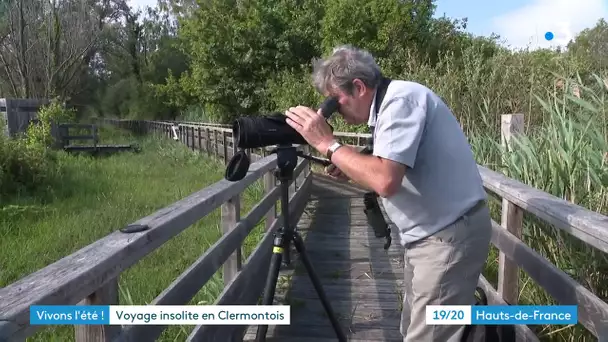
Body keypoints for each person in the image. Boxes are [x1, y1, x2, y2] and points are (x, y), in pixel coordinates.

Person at [284, 45, 493, 342]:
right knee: (412, 329)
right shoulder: (388, 104)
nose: (335, 109)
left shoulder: (402, 101)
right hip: (432, 235)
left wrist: (328, 145)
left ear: (358, 87)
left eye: (336, 100)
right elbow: (389, 163)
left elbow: (385, 180)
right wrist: (351, 161)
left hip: (447, 237)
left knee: (428, 336)